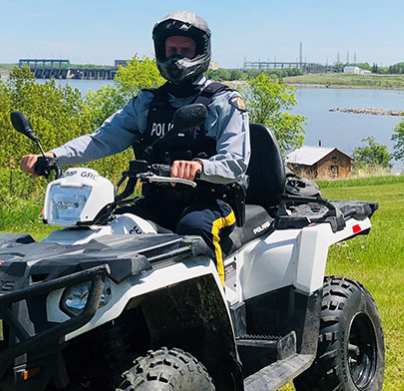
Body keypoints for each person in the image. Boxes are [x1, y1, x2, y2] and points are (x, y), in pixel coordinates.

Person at [20, 11, 250, 284]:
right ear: (161, 52)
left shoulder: (223, 101)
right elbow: (101, 139)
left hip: (208, 204)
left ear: (200, 52)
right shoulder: (148, 103)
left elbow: (236, 161)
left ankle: (215, 313)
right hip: (155, 201)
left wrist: (200, 167)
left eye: (186, 51)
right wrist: (54, 155)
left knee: (195, 231)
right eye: (172, 50)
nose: (178, 58)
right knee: (108, 232)